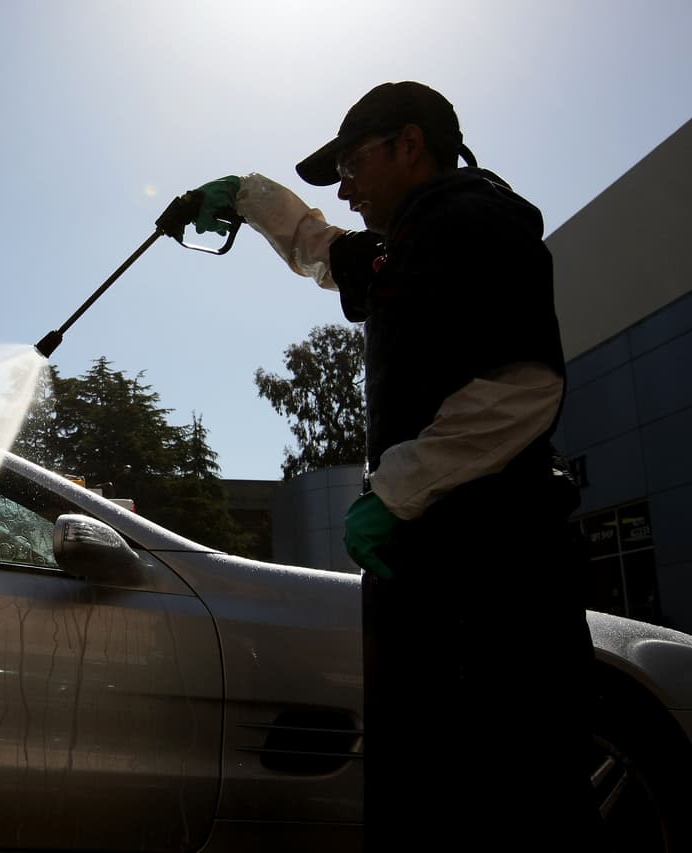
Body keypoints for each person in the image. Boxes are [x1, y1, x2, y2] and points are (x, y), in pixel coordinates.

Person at [188, 82, 602, 851]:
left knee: (518, 796)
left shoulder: (477, 220)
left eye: (352, 163)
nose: (344, 186)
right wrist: (247, 197)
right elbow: (328, 250)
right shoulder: (410, 242)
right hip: (436, 567)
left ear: (409, 144)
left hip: (497, 571)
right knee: (423, 789)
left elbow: (521, 384)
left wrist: (396, 491)